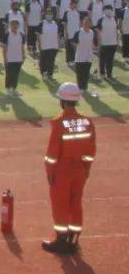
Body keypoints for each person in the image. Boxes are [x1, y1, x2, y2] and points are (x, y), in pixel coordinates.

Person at [42, 82, 96, 255]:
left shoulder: (59, 123)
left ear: (62, 101)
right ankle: (74, 238)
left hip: (62, 171)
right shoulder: (87, 122)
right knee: (75, 203)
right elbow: (90, 150)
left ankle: (61, 240)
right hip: (80, 169)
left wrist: (50, 173)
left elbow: (52, 153)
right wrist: (86, 169)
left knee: (60, 204)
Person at [70, 18, 97, 97]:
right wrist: (77, 50)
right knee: (80, 74)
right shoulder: (78, 32)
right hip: (79, 57)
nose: (86, 25)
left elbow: (93, 43)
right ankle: (80, 88)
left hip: (88, 57)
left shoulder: (92, 33)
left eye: (88, 23)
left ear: (90, 24)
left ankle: (84, 88)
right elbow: (73, 43)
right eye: (85, 23)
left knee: (86, 73)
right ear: (82, 24)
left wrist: (94, 49)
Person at [2, 19, 26, 96]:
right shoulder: (7, 34)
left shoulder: (21, 35)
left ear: (18, 25)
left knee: (16, 74)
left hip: (18, 58)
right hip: (9, 58)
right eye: (13, 24)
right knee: (9, 74)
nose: (14, 26)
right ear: (10, 25)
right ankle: (7, 89)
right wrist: (5, 58)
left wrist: (23, 55)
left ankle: (14, 89)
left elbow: (22, 46)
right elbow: (4, 48)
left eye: (16, 24)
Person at [96, 5, 118, 80]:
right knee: (102, 59)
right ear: (104, 11)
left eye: (110, 9)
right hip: (104, 43)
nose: (109, 11)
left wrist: (117, 41)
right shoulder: (101, 20)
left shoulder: (114, 19)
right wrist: (99, 43)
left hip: (112, 43)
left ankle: (109, 74)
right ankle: (102, 73)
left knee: (110, 60)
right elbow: (98, 32)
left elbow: (116, 31)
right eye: (107, 9)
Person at [38, 9, 61, 80]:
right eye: (48, 13)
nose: (49, 15)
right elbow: (38, 36)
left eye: (50, 14)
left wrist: (58, 44)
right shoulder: (41, 24)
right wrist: (39, 45)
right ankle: (44, 73)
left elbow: (58, 35)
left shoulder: (55, 23)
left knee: (51, 61)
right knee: (44, 61)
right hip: (44, 46)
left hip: (53, 46)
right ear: (45, 15)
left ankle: (50, 74)